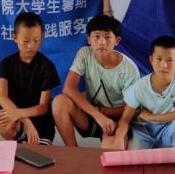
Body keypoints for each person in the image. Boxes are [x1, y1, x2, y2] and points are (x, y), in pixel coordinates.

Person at [51, 15, 140, 148]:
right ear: (89, 39)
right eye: (96, 36)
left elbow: (128, 109)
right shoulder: (85, 53)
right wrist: (98, 115)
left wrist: (102, 113)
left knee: (112, 153)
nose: (102, 42)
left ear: (117, 40)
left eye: (107, 37)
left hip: (119, 119)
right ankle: (73, 152)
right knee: (59, 102)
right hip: (93, 114)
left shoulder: (129, 68)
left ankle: (119, 141)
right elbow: (68, 88)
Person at [113, 35, 175, 150]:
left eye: (170, 60)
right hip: (144, 131)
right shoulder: (139, 86)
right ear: (151, 60)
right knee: (136, 157)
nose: (164, 65)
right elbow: (125, 119)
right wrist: (118, 140)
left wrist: (151, 117)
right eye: (159, 59)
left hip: (169, 128)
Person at [0, 12, 61, 146]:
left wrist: (19, 114)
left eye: (36, 40)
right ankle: (18, 140)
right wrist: (25, 120)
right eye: (25, 41)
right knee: (1, 122)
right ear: (15, 38)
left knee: (35, 155)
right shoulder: (6, 63)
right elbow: (1, 97)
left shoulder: (47, 67)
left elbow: (43, 107)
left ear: (42, 36)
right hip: (19, 120)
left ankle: (27, 142)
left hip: (41, 126)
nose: (31, 46)